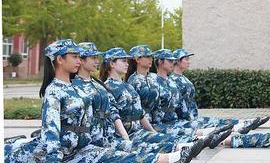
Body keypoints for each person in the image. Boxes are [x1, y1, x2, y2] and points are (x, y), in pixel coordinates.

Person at [5, 39, 195, 163]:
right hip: (64, 155)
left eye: (80, 57)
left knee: (121, 157)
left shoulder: (76, 87)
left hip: (83, 148)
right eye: (74, 57)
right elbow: (51, 133)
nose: (79, 60)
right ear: (59, 60)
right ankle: (171, 158)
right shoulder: (54, 91)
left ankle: (172, 157)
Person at [101, 47, 232, 150]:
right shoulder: (123, 83)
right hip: (138, 129)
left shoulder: (130, 84)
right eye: (123, 61)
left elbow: (139, 112)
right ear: (112, 63)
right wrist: (126, 137)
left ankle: (215, 138)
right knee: (168, 141)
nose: (126, 63)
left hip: (147, 126)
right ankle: (198, 145)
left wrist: (150, 130)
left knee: (174, 137)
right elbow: (115, 115)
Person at [170, 48, 270, 131]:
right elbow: (177, 104)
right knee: (213, 123)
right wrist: (189, 119)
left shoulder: (183, 78)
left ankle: (245, 122)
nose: (189, 62)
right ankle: (242, 126)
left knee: (216, 120)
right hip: (186, 119)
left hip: (193, 117)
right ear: (178, 61)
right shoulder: (173, 80)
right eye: (186, 59)